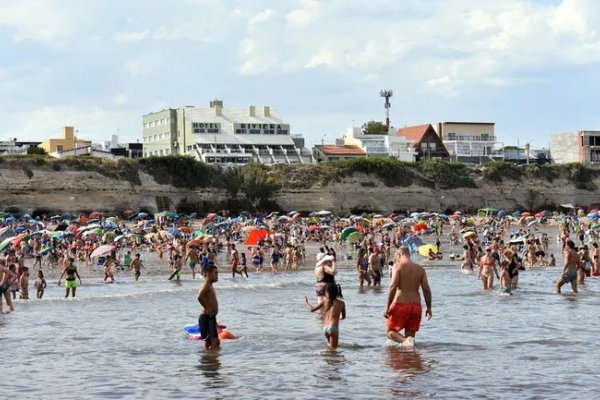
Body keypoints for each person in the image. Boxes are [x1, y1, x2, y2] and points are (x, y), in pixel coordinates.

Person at [384, 246, 432, 348]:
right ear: (409, 255)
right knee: (410, 342)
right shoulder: (420, 269)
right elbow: (426, 289)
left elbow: (393, 286)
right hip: (416, 306)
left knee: (390, 332)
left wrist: (387, 307)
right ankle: (409, 360)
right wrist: (429, 307)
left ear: (399, 255)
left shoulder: (398, 266)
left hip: (401, 304)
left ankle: (406, 341)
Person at [304, 284, 346, 349]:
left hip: (325, 328)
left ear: (327, 292)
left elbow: (312, 309)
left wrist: (306, 302)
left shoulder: (325, 302)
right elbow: (343, 317)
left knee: (330, 347)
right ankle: (330, 358)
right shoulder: (341, 303)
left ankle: (326, 358)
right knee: (334, 349)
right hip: (333, 328)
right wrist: (339, 318)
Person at [197, 264, 220, 350]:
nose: (217, 275)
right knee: (215, 341)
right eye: (215, 273)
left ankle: (207, 360)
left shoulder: (210, 285)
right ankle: (211, 360)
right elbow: (199, 297)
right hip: (207, 317)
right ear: (208, 273)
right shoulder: (206, 285)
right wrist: (208, 309)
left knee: (209, 341)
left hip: (210, 317)